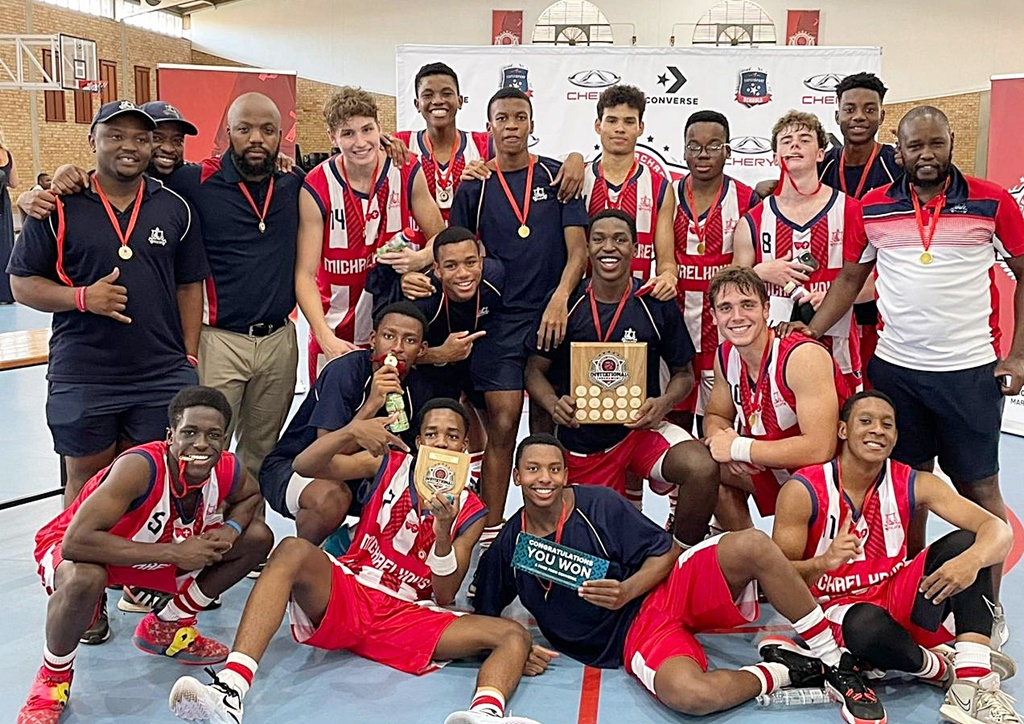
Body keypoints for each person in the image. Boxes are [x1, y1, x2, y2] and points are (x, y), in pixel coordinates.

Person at [789, 106, 1024, 643]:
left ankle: (986, 608)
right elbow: (851, 277)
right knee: (905, 490)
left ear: (951, 143)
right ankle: (910, 596)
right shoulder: (873, 207)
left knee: (980, 488)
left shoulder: (992, 200)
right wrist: (813, 332)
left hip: (968, 372)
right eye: (914, 147)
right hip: (897, 371)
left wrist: (1018, 357)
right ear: (899, 152)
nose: (925, 156)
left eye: (935, 145)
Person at [169, 399, 543, 724]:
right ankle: (229, 690)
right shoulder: (390, 463)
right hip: (350, 590)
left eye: (451, 435)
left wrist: (443, 532)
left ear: (465, 446)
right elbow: (305, 465)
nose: (441, 441)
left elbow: (444, 593)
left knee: (513, 635)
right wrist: (351, 430)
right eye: (431, 434)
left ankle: (484, 714)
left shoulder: (473, 510)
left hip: (409, 614)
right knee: (290, 549)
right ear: (418, 442)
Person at [473, 434, 885, 723]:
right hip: (635, 637)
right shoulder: (512, 543)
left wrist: (627, 591)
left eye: (554, 469)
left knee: (754, 545)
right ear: (516, 478)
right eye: (533, 470)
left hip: (664, 591)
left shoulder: (597, 503)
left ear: (566, 474)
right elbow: (484, 612)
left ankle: (835, 660)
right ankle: (787, 671)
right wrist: (511, 648)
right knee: (690, 696)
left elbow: (668, 550)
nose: (544, 478)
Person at [17, 386, 274, 724]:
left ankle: (167, 625)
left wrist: (231, 531)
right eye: (190, 432)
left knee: (258, 537)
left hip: (150, 550)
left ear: (224, 441)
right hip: (89, 550)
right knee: (84, 579)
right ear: (170, 436)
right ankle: (52, 679)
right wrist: (175, 552)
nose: (201, 444)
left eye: (214, 435)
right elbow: (75, 543)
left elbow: (251, 497)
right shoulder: (140, 468)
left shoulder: (227, 468)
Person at [771, 390, 1020, 724]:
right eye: (866, 421)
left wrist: (970, 562)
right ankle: (938, 668)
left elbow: (998, 530)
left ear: (896, 437)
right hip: (836, 611)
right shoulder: (803, 490)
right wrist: (824, 562)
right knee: (865, 625)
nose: (878, 430)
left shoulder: (913, 481)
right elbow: (778, 579)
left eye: (887, 425)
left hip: (895, 595)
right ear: (843, 430)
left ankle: (971, 684)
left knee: (970, 542)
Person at [7, 100, 207, 506]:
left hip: (159, 372)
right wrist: (82, 298)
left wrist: (188, 356)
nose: (128, 146)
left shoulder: (174, 208)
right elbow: (21, 284)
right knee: (87, 479)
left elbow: (189, 286)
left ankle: (140, 566)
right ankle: (79, 566)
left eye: (140, 138)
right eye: (115, 135)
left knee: (150, 475)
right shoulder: (56, 206)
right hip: (84, 372)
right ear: (92, 140)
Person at [524, 209, 718, 547]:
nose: (608, 248)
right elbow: (533, 371)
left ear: (635, 247)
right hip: (581, 442)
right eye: (599, 239)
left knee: (702, 468)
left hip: (638, 433)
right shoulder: (565, 304)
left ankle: (677, 558)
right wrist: (554, 404)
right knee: (586, 552)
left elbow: (684, 375)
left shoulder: (653, 303)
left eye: (619, 239)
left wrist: (663, 404)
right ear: (587, 246)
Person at [450, 87, 588, 541]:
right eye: (502, 118)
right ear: (488, 127)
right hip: (499, 321)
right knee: (504, 422)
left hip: (554, 314)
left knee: (546, 425)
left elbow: (578, 251)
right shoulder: (475, 185)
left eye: (520, 117)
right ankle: (489, 534)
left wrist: (560, 298)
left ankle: (546, 533)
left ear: (532, 123)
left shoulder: (558, 176)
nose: (511, 126)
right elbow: (459, 256)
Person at [162, 92, 305, 480]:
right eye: (245, 129)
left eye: (267, 130)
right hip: (218, 342)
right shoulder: (193, 181)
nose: (256, 138)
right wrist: (57, 184)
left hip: (278, 341)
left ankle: (245, 533)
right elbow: (124, 179)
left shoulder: (294, 182)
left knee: (261, 449)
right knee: (205, 449)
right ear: (228, 133)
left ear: (282, 137)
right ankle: (194, 530)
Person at [297, 87, 446, 382]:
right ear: (332, 137)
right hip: (337, 330)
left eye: (367, 129)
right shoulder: (316, 186)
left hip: (394, 332)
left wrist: (419, 259)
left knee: (395, 418)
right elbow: (304, 275)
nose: (361, 142)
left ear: (380, 128)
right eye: (348, 133)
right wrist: (324, 336)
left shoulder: (405, 169)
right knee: (333, 423)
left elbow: (439, 239)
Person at [259, 301, 435, 545]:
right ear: (373, 339)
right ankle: (301, 561)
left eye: (410, 340)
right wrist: (372, 403)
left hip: (359, 473)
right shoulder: (345, 371)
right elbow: (329, 450)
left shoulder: (422, 387)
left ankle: (347, 547)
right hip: (297, 466)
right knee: (331, 497)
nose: (396, 348)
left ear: (422, 349)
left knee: (410, 485)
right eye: (388, 336)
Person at [702, 267, 848, 529]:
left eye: (747, 305)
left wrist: (739, 448)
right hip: (771, 466)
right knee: (700, 465)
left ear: (766, 310)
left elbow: (820, 448)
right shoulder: (725, 355)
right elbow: (716, 416)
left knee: (793, 564)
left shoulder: (802, 356)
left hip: (826, 479)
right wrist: (723, 441)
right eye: (725, 308)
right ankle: (745, 551)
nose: (737, 317)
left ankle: (772, 559)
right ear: (713, 317)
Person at [734, 110, 866, 393]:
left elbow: (879, 281)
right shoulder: (753, 220)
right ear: (774, 156)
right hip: (772, 344)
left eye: (804, 139)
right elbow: (733, 287)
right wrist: (758, 272)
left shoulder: (852, 211)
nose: (794, 145)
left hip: (836, 340)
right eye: (786, 141)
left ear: (820, 154)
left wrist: (836, 298)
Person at [392, 61, 586, 215]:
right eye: (428, 95)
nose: (437, 101)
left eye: (446, 93)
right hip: (415, 255)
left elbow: (525, 159)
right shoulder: (400, 144)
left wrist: (575, 157)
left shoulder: (483, 144)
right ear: (417, 104)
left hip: (469, 257)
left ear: (460, 101)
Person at [671, 110, 758, 433]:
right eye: (694, 146)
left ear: (728, 150)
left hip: (723, 330)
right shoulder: (669, 193)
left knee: (720, 423)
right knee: (674, 422)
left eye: (713, 145)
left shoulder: (747, 197)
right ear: (683, 151)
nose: (703, 154)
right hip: (677, 324)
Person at [581, 84, 677, 299]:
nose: (620, 129)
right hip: (584, 300)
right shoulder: (580, 179)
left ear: (640, 127)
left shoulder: (659, 186)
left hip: (636, 301)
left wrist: (668, 277)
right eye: (612, 120)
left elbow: (666, 261)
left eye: (629, 121)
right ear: (598, 125)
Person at [0, 125, 19, 304]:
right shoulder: (7, 154)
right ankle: (5, 293)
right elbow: (14, 183)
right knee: (5, 246)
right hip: (3, 203)